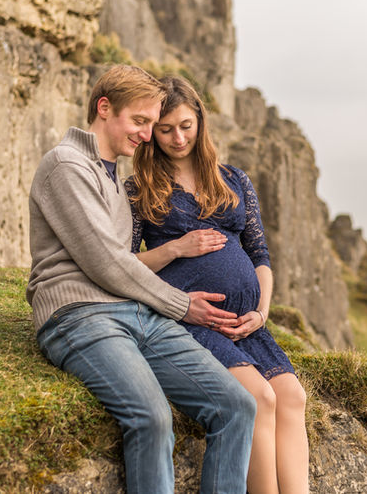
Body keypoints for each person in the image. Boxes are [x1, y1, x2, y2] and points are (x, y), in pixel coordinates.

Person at [26, 65, 257, 494]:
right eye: (140, 121)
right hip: (78, 315)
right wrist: (182, 304)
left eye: (152, 124)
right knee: (152, 417)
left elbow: (125, 264)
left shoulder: (115, 174)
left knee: (237, 405)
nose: (148, 135)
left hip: (134, 312)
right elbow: (107, 263)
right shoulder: (66, 165)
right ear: (104, 108)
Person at [126, 76, 309, 494]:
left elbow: (260, 257)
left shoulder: (235, 180)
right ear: (152, 130)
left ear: (200, 123)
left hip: (248, 321)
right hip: (193, 319)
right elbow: (124, 263)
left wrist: (261, 312)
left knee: (292, 397)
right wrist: (175, 248)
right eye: (166, 128)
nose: (177, 138)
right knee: (261, 399)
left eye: (186, 126)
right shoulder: (139, 188)